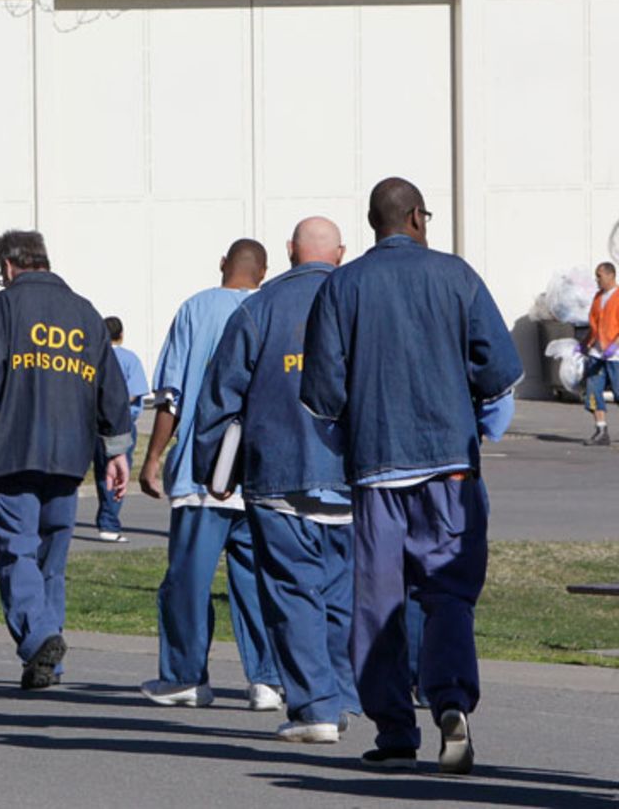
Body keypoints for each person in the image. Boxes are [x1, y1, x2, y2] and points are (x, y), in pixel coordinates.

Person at [301, 177, 521, 774]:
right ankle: (449, 700)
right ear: (419, 218)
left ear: (373, 223)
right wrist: (470, 419)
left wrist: (352, 436)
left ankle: (395, 730)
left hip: (376, 469)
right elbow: (500, 371)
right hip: (449, 465)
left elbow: (321, 393)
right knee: (446, 591)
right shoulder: (457, 276)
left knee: (377, 599)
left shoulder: (342, 285)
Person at [194, 219, 359, 743]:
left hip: (280, 473)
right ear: (340, 253)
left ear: (289, 252)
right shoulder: (359, 303)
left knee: (292, 593)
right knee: (340, 594)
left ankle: (315, 706)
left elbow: (221, 396)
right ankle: (341, 694)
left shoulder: (258, 309)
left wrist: (211, 468)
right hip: (352, 476)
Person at [0, 230, 132, 689]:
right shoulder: (86, 312)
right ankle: (47, 661)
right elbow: (111, 386)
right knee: (51, 557)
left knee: (16, 549)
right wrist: (116, 450)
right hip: (69, 455)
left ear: (9, 266)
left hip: (13, 450)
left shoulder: (6, 306)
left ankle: (41, 635)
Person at [136, 239, 282, 711]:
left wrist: (154, 456)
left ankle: (185, 675)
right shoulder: (271, 309)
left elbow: (171, 395)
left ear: (223, 264)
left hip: (205, 470)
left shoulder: (196, 310)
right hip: (261, 470)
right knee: (257, 579)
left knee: (188, 579)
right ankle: (266, 678)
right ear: (264, 271)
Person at [93, 316, 148, 542]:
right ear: (121, 335)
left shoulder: (95, 358)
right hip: (121, 425)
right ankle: (109, 523)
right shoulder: (129, 359)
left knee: (99, 472)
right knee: (117, 474)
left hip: (94, 424)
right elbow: (135, 392)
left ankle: (105, 518)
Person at [582, 261, 619, 446]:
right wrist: (583, 345)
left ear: (611, 275)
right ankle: (601, 430)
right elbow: (594, 323)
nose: (597, 279)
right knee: (593, 391)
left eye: (599, 275)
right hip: (597, 353)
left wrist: (615, 345)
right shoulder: (598, 297)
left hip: (616, 355)